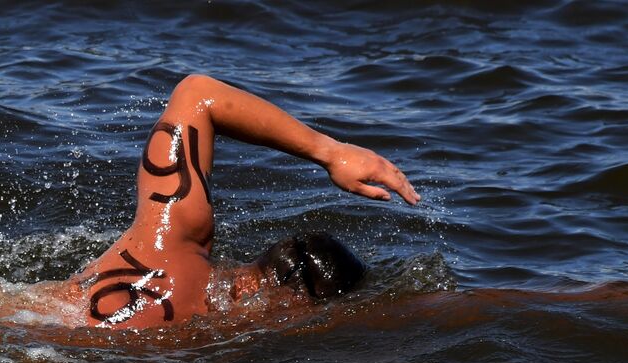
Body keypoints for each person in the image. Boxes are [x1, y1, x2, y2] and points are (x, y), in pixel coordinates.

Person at [45, 73, 419, 328]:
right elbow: (196, 90)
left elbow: (197, 95)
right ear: (288, 300)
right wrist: (329, 151)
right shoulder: (201, 320)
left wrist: (333, 153)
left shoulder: (170, 240)